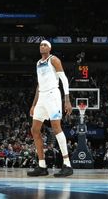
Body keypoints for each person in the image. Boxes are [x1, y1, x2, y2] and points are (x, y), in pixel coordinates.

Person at [27, 40, 73, 178]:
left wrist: (67, 99)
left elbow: (64, 79)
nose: (42, 46)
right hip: (42, 97)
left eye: (45, 45)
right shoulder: (38, 63)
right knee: (34, 130)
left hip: (53, 94)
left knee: (56, 127)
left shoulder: (54, 60)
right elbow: (38, 85)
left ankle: (67, 164)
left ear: (50, 48)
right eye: (41, 45)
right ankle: (42, 166)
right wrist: (34, 104)